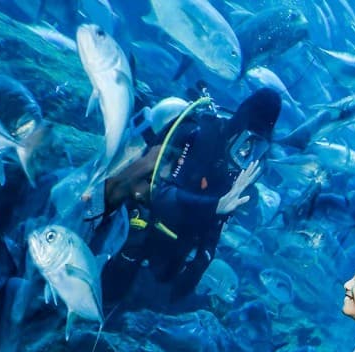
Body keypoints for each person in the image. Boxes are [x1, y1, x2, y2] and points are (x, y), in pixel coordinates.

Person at [100, 88, 282, 304]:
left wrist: (201, 262)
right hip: (141, 226)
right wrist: (215, 205)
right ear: (239, 127)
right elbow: (159, 194)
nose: (247, 152)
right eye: (247, 142)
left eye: (258, 148)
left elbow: (219, 220)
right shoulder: (201, 133)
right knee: (111, 284)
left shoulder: (242, 168)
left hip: (176, 243)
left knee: (152, 290)